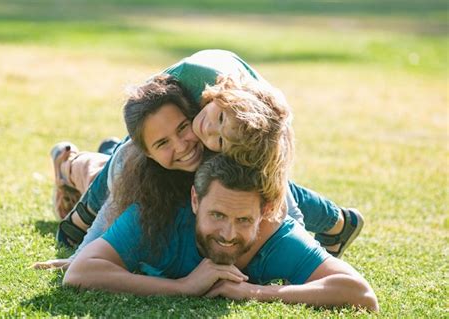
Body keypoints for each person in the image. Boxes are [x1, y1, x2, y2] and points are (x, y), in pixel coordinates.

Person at [52, 50, 363, 257]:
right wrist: (88, 248)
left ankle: (337, 222)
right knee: (133, 149)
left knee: (247, 183)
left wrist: (307, 251)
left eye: (220, 140)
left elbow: (278, 191)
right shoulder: (191, 81)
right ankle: (78, 194)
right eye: (218, 121)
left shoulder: (244, 139)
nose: (205, 131)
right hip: (184, 101)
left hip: (261, 127)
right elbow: (144, 127)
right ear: (218, 97)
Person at [63, 154, 378, 311]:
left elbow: (360, 293)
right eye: (217, 215)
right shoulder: (156, 216)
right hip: (117, 179)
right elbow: (79, 273)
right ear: (195, 200)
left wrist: (254, 292)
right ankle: (68, 161)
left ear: (264, 212)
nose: (229, 233)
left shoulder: (276, 237)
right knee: (94, 174)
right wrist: (184, 287)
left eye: (243, 219)